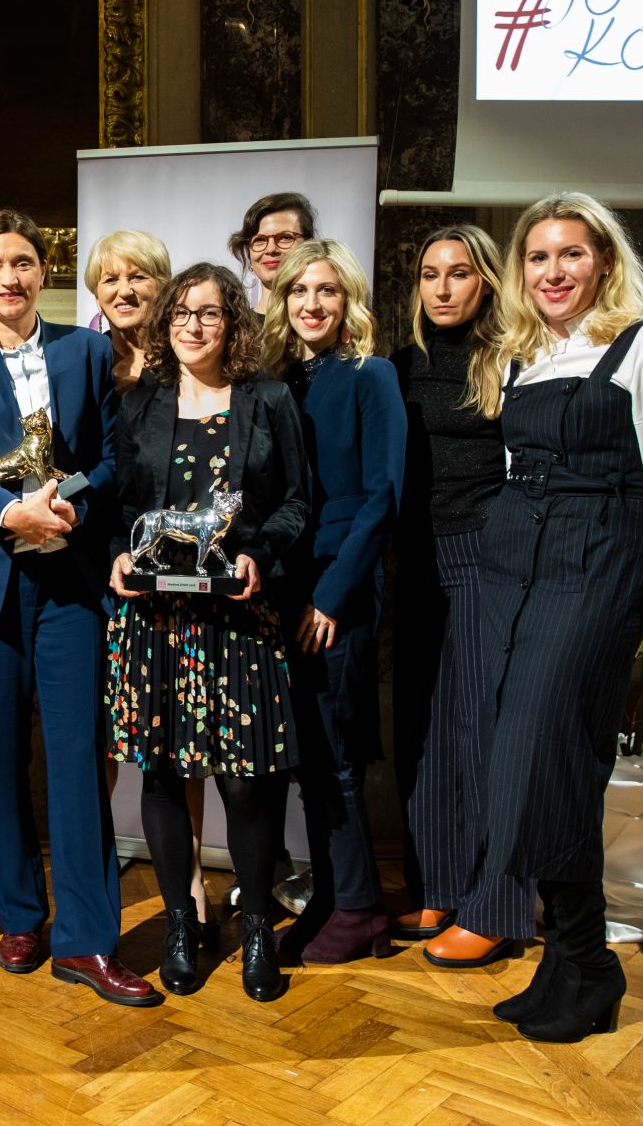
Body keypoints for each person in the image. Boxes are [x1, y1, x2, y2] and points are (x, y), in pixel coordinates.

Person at [481, 193, 643, 1043]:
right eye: (538, 258)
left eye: (570, 254)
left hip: (598, 560)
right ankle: (571, 957)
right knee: (548, 765)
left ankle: (591, 960)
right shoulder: (528, 354)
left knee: (545, 749)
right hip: (525, 563)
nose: (553, 272)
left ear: (604, 262)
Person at [0, 208, 157, 1007]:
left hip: (69, 586)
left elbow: (111, 458)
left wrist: (72, 510)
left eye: (23, 262)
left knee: (78, 760)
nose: (9, 277)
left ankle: (88, 940)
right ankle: (20, 913)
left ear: (44, 274)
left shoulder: (87, 351)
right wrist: (3, 511)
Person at [106, 262, 310, 1002]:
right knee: (161, 774)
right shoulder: (139, 404)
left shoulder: (270, 400)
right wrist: (117, 557)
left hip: (238, 617)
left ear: (235, 324)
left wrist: (261, 551)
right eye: (182, 313)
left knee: (248, 782)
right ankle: (181, 923)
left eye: (211, 313)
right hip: (157, 621)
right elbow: (114, 506)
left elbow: (296, 502)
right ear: (164, 324)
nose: (194, 325)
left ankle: (256, 927)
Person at [388, 224, 534, 969]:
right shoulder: (400, 363)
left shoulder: (510, 359)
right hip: (412, 562)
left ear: (486, 282)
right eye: (429, 274)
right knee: (422, 730)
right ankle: (439, 884)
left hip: (484, 556)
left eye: (460, 273)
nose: (442, 288)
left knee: (481, 734)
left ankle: (496, 903)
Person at [260, 239, 404, 965]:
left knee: (338, 756)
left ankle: (358, 908)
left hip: (337, 592)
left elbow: (383, 497)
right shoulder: (282, 383)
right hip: (287, 589)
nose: (312, 304)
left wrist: (333, 596)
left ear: (348, 300)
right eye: (298, 292)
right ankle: (331, 896)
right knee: (309, 757)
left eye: (326, 291)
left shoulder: (370, 376)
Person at [84, 229, 172, 391]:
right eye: (111, 280)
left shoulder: (186, 361)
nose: (124, 291)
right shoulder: (85, 365)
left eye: (138, 277)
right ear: (97, 298)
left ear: (162, 288)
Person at [228, 192, 317, 310]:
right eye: (259, 240)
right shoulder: (235, 328)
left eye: (285, 237)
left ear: (308, 245)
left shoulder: (328, 325)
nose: (271, 249)